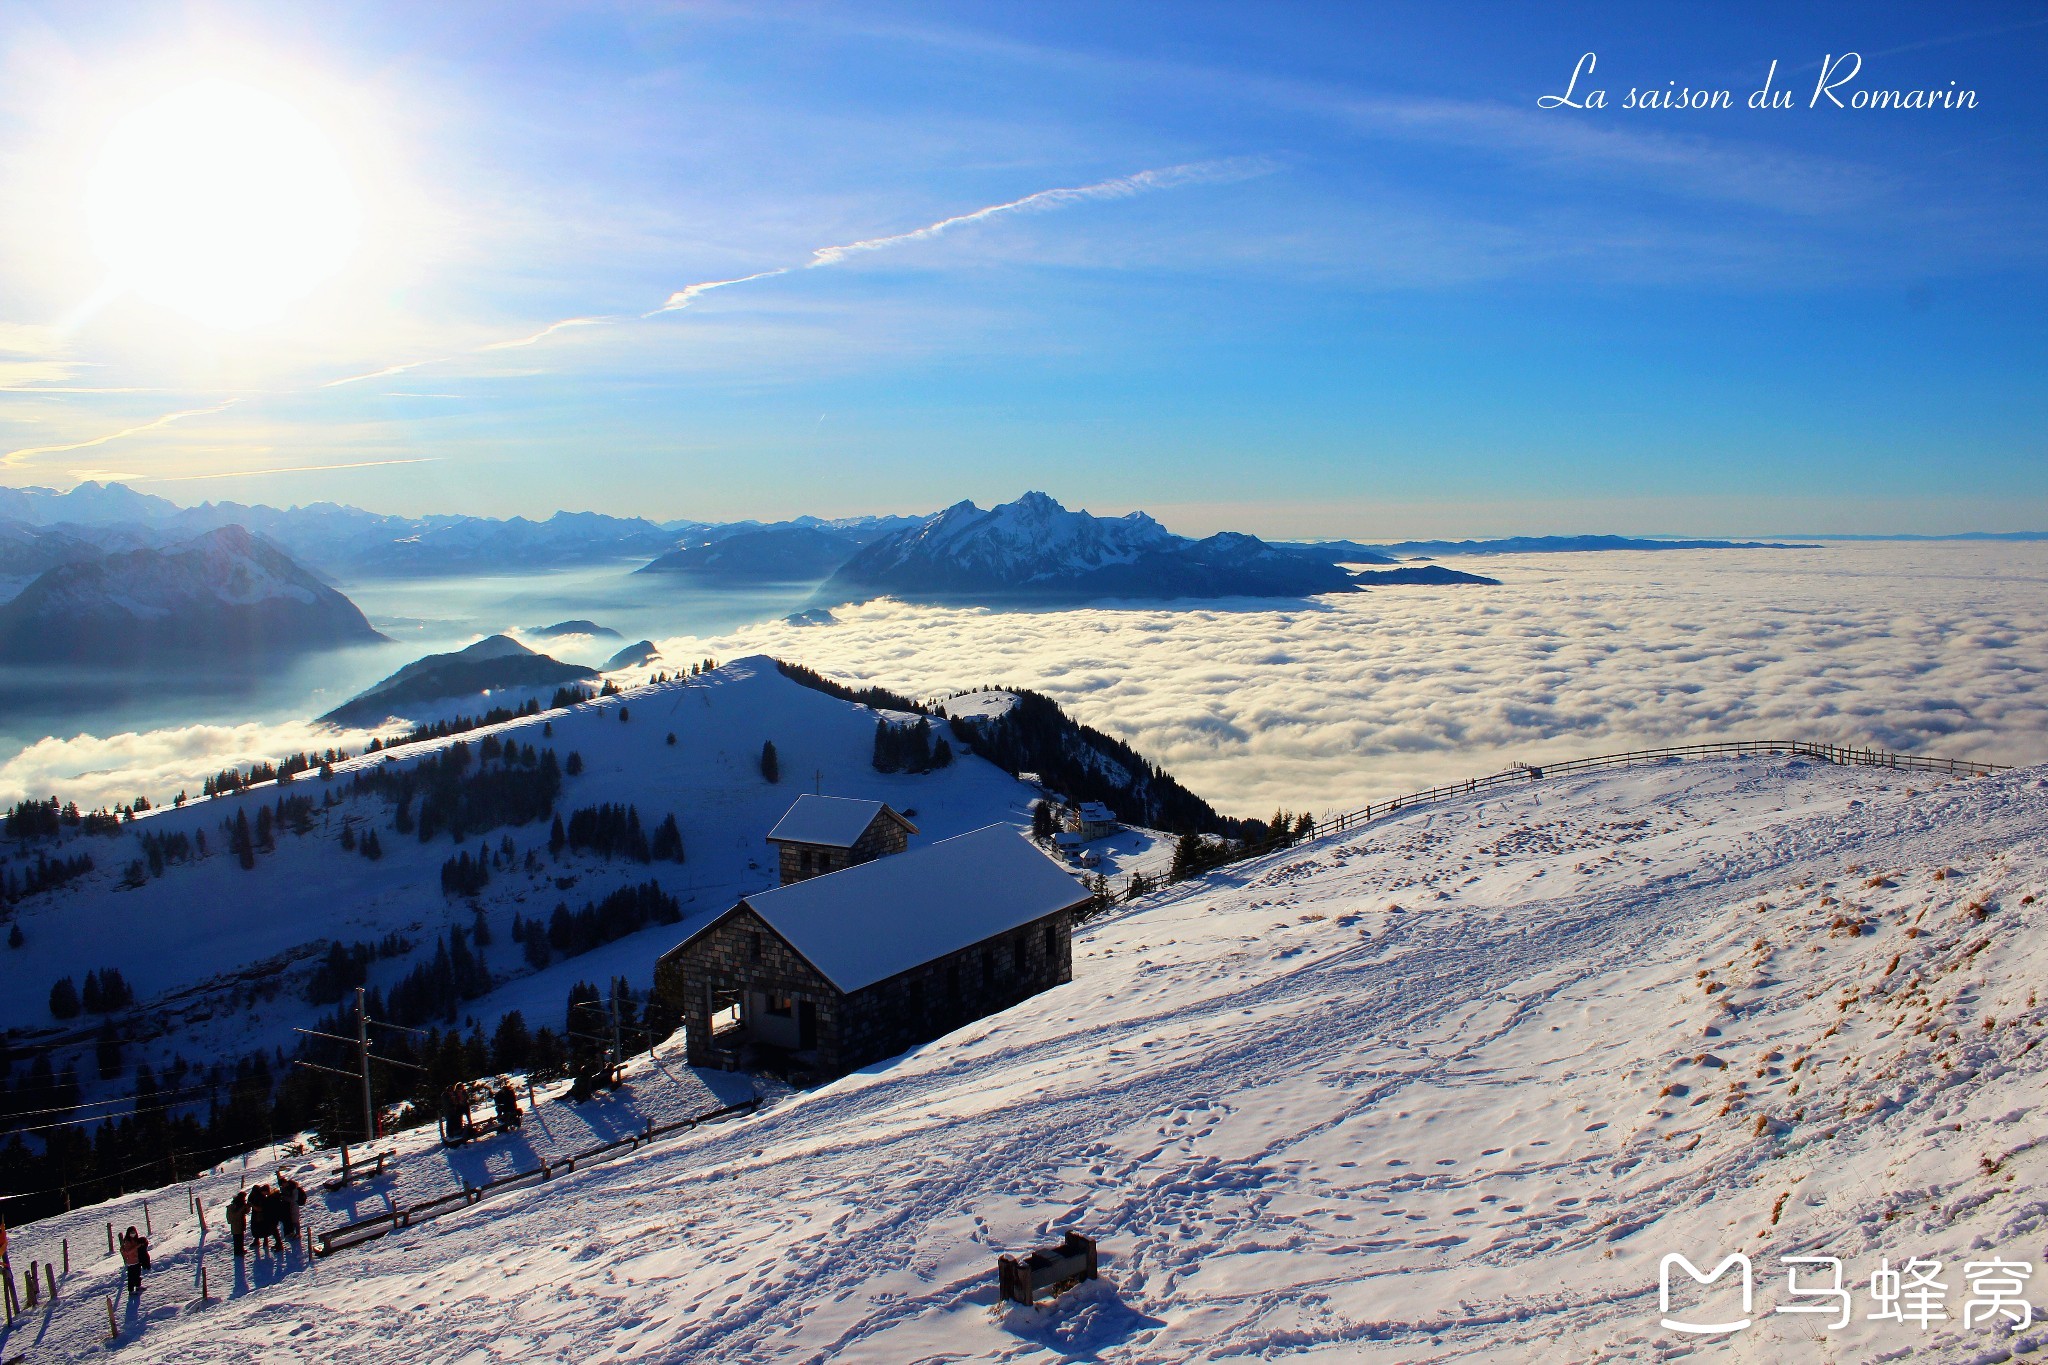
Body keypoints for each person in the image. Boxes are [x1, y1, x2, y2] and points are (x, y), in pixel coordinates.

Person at [119, 1225, 148, 1295]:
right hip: (131, 1262)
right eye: (131, 1232)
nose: (133, 1234)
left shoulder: (135, 1239)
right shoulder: (127, 1241)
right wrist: (137, 1246)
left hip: (136, 1260)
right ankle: (131, 1291)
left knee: (137, 1274)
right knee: (131, 1277)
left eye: (134, 1232)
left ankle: (138, 1286)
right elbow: (128, 1252)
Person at [248, 1184, 275, 1256]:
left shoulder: (259, 1196)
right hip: (259, 1215)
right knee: (260, 1227)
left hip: (259, 1215)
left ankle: (261, 1241)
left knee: (260, 1227)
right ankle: (262, 1241)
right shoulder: (259, 1196)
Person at [226, 1189, 249, 1258]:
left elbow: (245, 1212)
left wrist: (247, 1207)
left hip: (240, 1223)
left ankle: (240, 1250)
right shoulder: (234, 1206)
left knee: (240, 1237)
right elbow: (235, 1215)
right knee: (237, 1238)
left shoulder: (240, 1203)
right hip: (236, 1224)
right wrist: (242, 1208)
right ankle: (237, 1252)